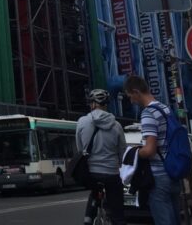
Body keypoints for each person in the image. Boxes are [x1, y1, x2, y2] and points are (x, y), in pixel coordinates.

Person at [125, 75, 179, 225]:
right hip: (173, 172)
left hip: (159, 176)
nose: (131, 101)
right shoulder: (165, 108)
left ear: (136, 92)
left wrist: (133, 153)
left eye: (130, 96)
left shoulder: (148, 113)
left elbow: (150, 150)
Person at [77, 88, 127, 225]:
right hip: (111, 172)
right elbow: (122, 150)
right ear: (106, 105)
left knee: (94, 193)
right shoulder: (116, 125)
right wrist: (119, 163)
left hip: (91, 173)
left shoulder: (82, 122)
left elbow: (80, 148)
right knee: (117, 210)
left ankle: (88, 219)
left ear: (93, 104)